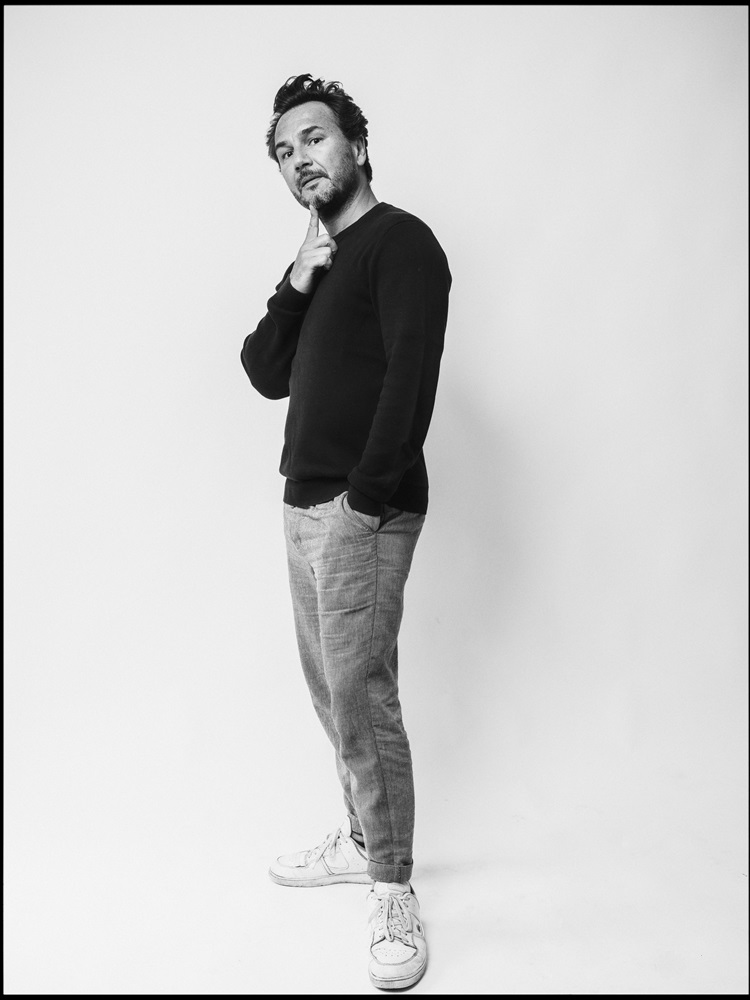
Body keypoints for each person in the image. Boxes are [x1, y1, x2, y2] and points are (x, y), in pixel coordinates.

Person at [240, 73, 451, 990]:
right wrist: (297, 277)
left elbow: (411, 376)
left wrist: (366, 499)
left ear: (356, 145)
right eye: (284, 152)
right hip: (304, 505)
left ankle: (392, 885)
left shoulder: (402, 243)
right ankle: (365, 838)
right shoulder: (322, 260)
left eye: (314, 138)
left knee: (363, 699)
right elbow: (262, 370)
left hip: (363, 510)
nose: (300, 160)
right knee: (333, 692)